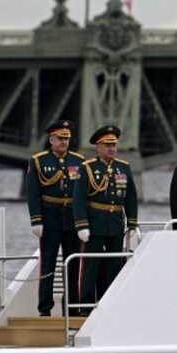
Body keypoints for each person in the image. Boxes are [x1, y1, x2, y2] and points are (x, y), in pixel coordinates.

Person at [72, 125, 138, 314]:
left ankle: (109, 302)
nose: (111, 148)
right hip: (94, 223)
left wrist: (132, 222)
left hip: (116, 223)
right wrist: (82, 224)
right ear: (98, 147)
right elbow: (79, 198)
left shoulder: (123, 167)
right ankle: (85, 305)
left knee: (113, 265)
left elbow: (130, 197)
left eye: (114, 145)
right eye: (107, 145)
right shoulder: (88, 168)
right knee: (90, 266)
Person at [25, 119, 87, 316]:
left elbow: (83, 194)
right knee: (48, 264)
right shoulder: (39, 161)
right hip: (50, 218)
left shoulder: (79, 161)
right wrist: (36, 219)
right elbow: (33, 192)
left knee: (73, 264)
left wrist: (82, 222)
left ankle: (72, 307)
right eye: (60, 139)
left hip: (71, 219)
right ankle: (45, 308)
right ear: (51, 140)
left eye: (67, 139)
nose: (64, 142)